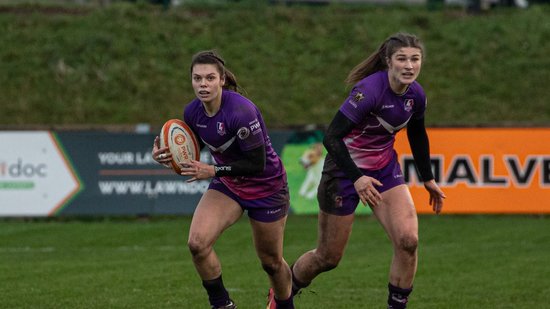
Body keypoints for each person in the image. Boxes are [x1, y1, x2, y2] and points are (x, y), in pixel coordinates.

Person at [290, 32, 446, 308]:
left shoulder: (416, 95)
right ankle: (284, 291)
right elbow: (332, 138)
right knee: (328, 258)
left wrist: (428, 178)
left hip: (384, 170)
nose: (409, 66)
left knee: (408, 241)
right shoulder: (368, 92)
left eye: (415, 59)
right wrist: (357, 178)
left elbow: (418, 134)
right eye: (402, 59)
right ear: (388, 61)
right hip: (343, 173)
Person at [152, 50, 294, 309]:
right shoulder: (192, 112)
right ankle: (222, 304)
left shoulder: (242, 111)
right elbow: (190, 148)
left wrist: (213, 171)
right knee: (197, 243)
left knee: (271, 262)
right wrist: (165, 153)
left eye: (209, 78)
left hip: (267, 187)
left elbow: (256, 164)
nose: (203, 84)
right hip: (230, 185)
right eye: (197, 79)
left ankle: (285, 304)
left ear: (222, 80)